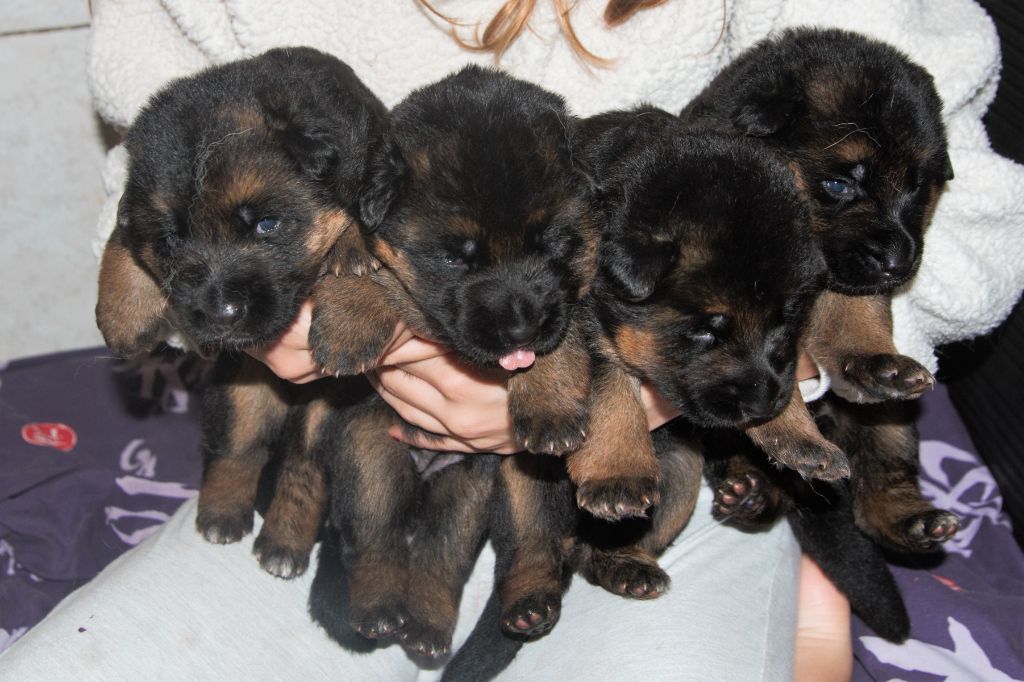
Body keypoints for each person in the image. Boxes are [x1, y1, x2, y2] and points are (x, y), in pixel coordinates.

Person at [3, 1, 1019, 680]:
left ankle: (779, 600)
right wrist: (274, 326)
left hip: (679, 431)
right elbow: (161, 167)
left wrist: (677, 385)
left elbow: (961, 218)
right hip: (354, 417)